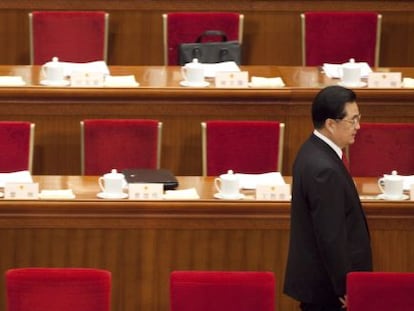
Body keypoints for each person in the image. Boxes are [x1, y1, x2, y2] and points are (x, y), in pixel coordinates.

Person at [284, 85, 372, 311]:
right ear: (331, 124)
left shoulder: (312, 151)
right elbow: (331, 235)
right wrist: (346, 287)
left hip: (322, 286)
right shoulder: (324, 168)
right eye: (352, 121)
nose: (358, 127)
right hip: (329, 293)